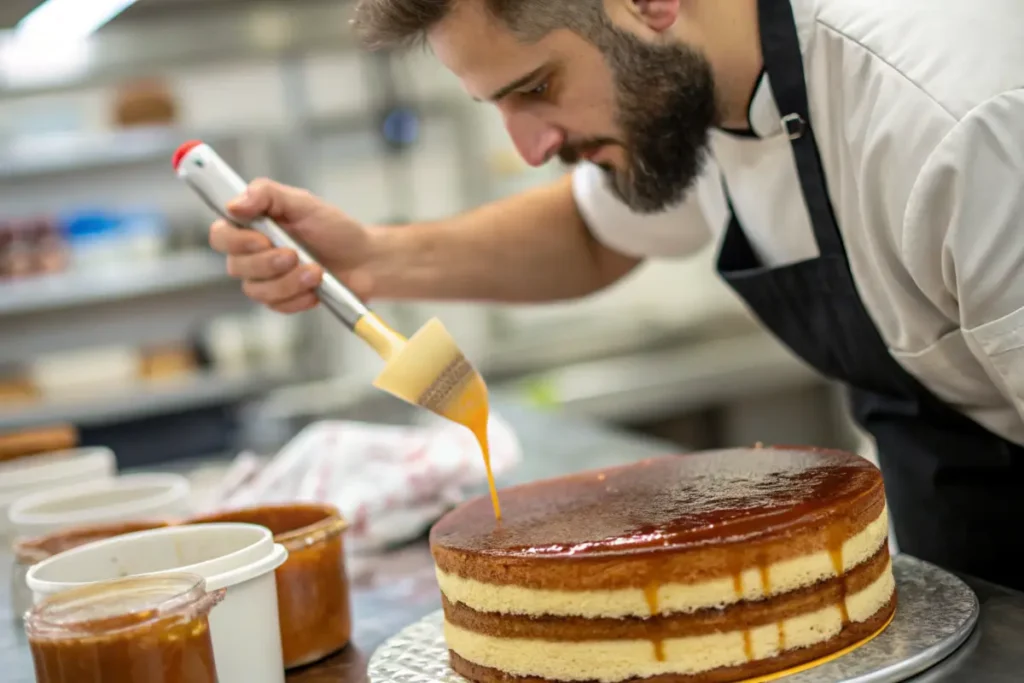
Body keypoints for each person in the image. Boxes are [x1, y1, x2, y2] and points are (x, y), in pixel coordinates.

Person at [209, 0, 1024, 589]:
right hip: (963, 562)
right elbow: (595, 233)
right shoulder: (700, 86)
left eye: (536, 88)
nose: (530, 148)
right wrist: (372, 259)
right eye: (496, 106)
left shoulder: (953, 121)